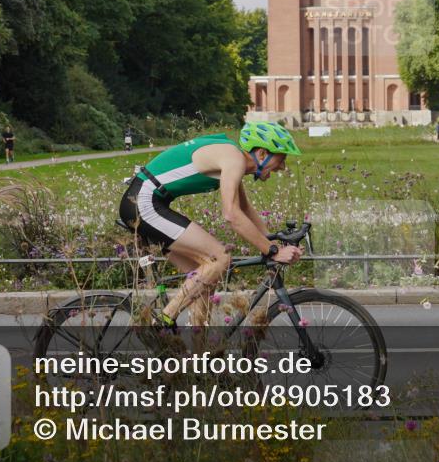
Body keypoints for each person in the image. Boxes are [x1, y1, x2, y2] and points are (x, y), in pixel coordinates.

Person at [118, 121, 303, 328]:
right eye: (282, 158)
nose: (283, 167)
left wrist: (273, 240)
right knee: (219, 257)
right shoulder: (234, 159)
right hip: (142, 203)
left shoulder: (233, 159)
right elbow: (232, 215)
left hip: (150, 202)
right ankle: (161, 323)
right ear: (261, 153)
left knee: (206, 277)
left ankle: (200, 354)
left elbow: (244, 209)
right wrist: (272, 251)